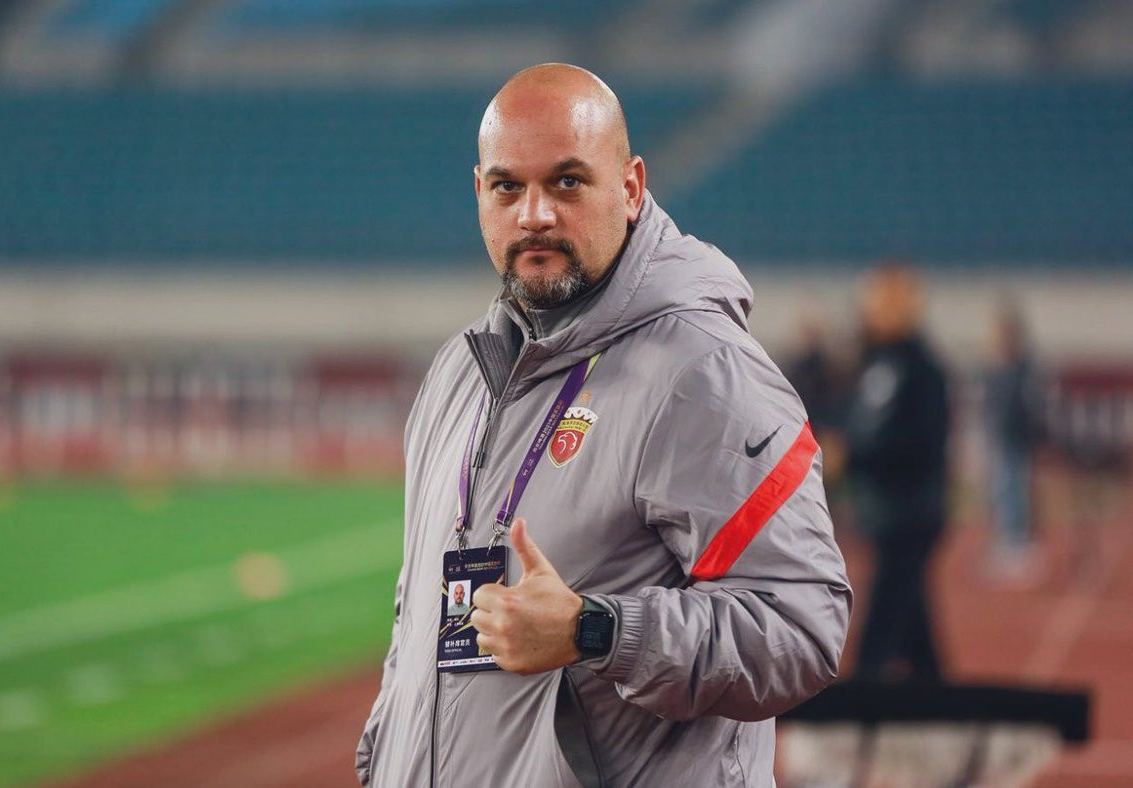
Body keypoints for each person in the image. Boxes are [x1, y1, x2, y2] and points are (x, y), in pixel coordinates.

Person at [357, 63, 851, 787]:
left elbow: (801, 627)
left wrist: (595, 629)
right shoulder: (459, 373)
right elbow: (417, 616)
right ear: (479, 193)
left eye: (566, 182)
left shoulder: (703, 371)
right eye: (507, 187)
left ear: (630, 186)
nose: (534, 214)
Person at [845, 263, 948, 683]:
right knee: (913, 623)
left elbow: (924, 444)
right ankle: (937, 694)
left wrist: (856, 454)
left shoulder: (923, 369)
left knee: (882, 622)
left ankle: (859, 699)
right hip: (883, 509)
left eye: (880, 299)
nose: (869, 307)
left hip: (910, 511)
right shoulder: (872, 361)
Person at [982, 300, 1043, 581]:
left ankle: (1018, 545)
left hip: (1015, 438)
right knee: (1002, 490)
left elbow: (1028, 407)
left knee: (1014, 489)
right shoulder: (998, 367)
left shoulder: (1023, 368)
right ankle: (1009, 541)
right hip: (1000, 437)